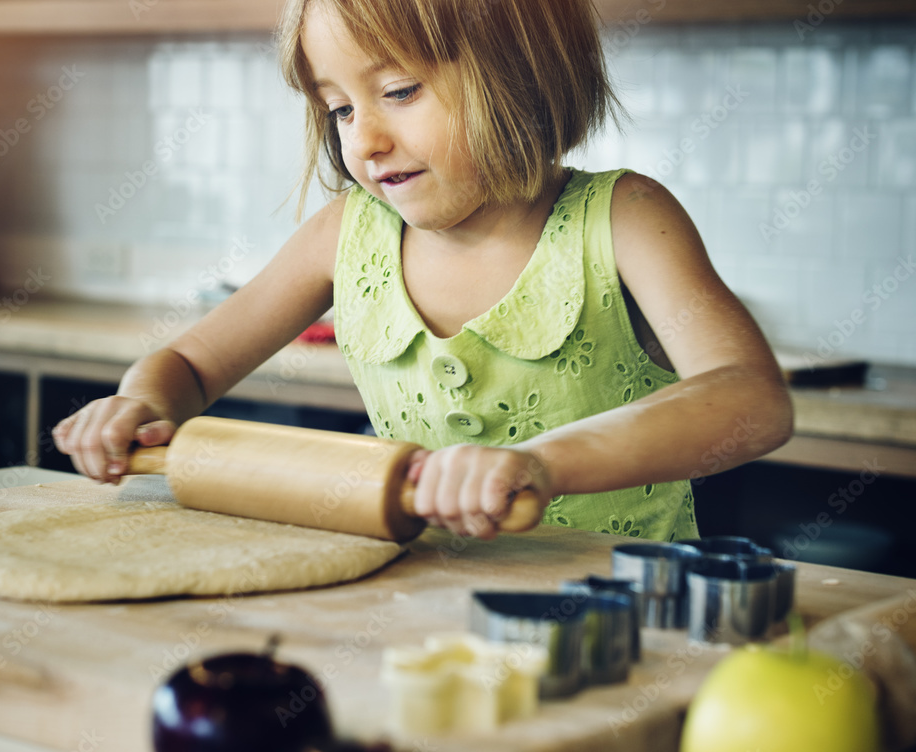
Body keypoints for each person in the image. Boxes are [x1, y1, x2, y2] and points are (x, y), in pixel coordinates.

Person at [54, 0, 793, 542]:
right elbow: (188, 361)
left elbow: (750, 399)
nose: (365, 140)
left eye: (399, 92)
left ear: (521, 74)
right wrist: (141, 405)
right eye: (339, 109)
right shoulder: (346, 233)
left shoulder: (624, 217)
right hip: (412, 601)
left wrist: (543, 463)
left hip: (618, 613)